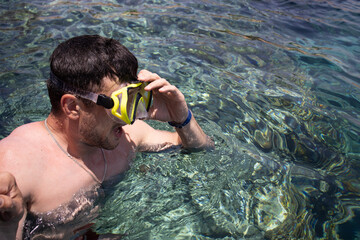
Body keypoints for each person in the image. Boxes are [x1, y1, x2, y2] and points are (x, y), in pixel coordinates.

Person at [0, 35, 213, 239]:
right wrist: (9, 226)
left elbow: (201, 150)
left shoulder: (128, 137)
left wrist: (181, 117)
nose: (130, 118)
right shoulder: (16, 167)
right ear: (72, 107)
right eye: (122, 103)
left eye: (135, 96)